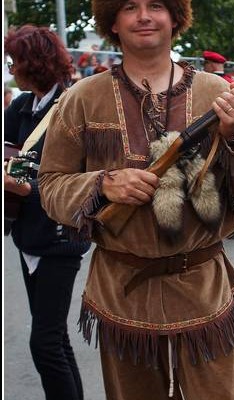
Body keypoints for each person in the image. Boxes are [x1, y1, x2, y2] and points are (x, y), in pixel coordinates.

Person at [38, 1, 234, 399]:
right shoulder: (82, 97)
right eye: (130, 6)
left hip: (203, 291)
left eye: (156, 6)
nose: (144, 16)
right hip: (122, 294)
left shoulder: (220, 94)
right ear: (113, 21)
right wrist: (103, 183)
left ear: (175, 17)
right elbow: (50, 186)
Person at [4, 25, 91, 400]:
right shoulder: (21, 106)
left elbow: (84, 179)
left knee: (44, 344)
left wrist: (30, 188)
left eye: (15, 62)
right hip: (28, 233)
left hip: (62, 235)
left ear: (33, 63)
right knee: (55, 339)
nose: (10, 69)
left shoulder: (72, 106)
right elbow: (11, 156)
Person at [203, 49, 234, 240]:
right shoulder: (233, 83)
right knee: (224, 184)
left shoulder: (205, 83)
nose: (204, 67)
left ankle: (220, 226)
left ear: (212, 65)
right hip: (225, 141)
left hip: (209, 141)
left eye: (206, 64)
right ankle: (228, 226)